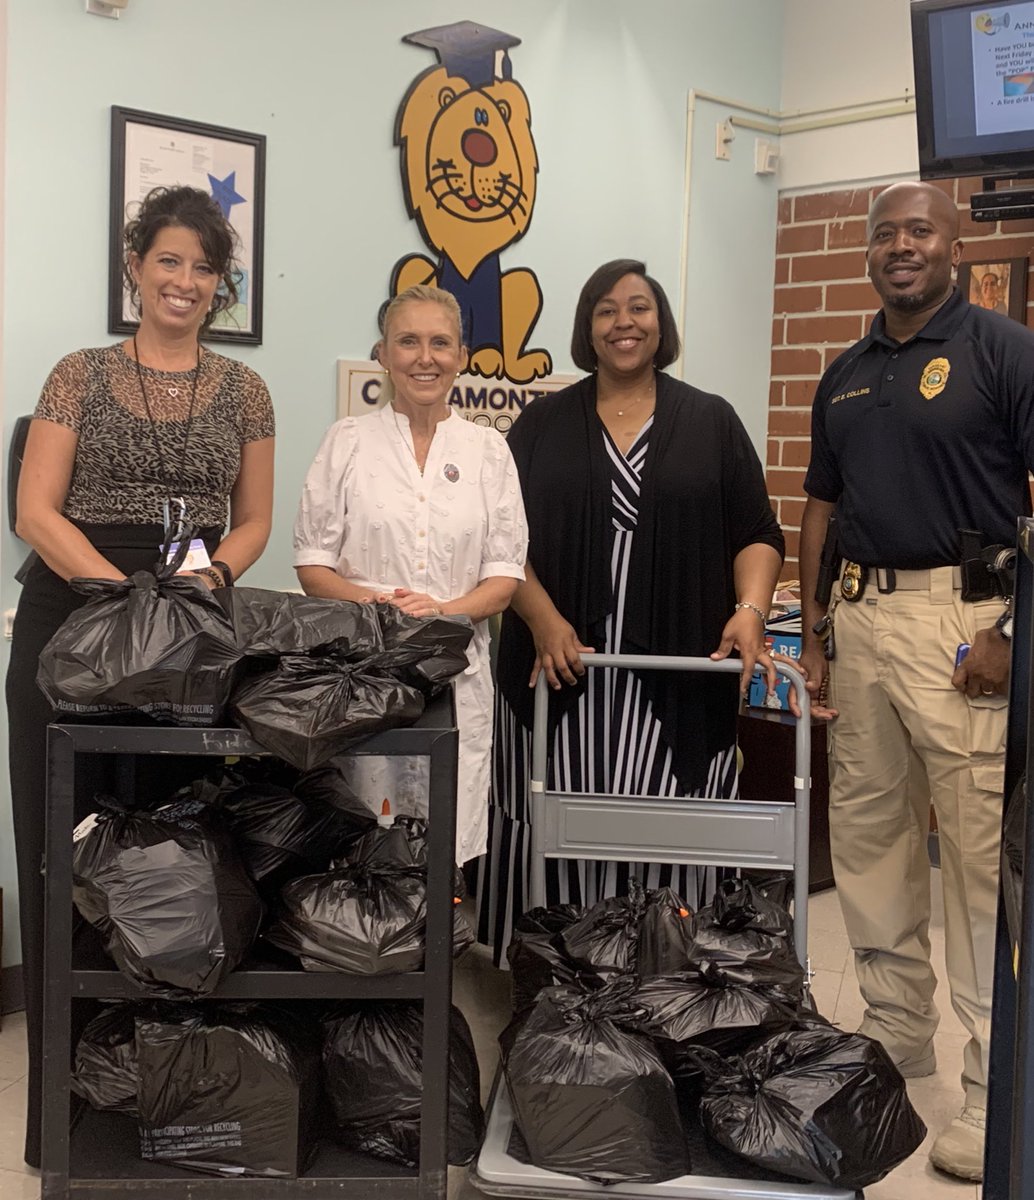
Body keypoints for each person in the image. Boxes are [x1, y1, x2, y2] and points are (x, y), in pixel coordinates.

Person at [7, 184, 276, 1167]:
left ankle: (162, 1106)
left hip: (184, 635)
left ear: (220, 286)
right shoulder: (76, 374)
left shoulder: (246, 392)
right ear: (135, 267)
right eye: (168, 260)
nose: (185, 280)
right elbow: (35, 511)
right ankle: (60, 1126)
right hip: (72, 624)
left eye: (203, 267)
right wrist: (120, 593)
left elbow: (250, 519)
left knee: (169, 870)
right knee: (60, 864)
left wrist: (207, 577)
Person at [798, 181, 1034, 1182]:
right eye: (884, 234)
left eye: (917, 232)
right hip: (859, 620)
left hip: (964, 627)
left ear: (951, 246)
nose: (899, 247)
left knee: (975, 862)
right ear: (867, 252)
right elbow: (818, 506)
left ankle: (988, 1087)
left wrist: (1012, 629)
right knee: (867, 841)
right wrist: (812, 633)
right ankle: (895, 1039)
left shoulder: (1000, 351)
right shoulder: (845, 370)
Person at [476, 258, 784, 961]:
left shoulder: (711, 421)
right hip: (561, 674)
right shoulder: (544, 423)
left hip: (673, 677)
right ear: (588, 328)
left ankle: (669, 967)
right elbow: (496, 538)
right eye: (606, 310)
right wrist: (544, 619)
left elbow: (757, 534)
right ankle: (553, 970)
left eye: (639, 307)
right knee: (554, 815)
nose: (624, 322)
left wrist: (751, 610)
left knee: (666, 823)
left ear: (661, 322)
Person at [292, 283, 527, 865]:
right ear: (383, 354)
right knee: (363, 838)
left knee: (442, 841)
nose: (426, 357)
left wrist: (444, 610)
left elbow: (505, 576)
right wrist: (383, 608)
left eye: (440, 342)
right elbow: (312, 565)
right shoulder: (347, 442)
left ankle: (437, 951)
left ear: (462, 355)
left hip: (456, 679)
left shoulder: (488, 452)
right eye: (409, 342)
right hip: (361, 676)